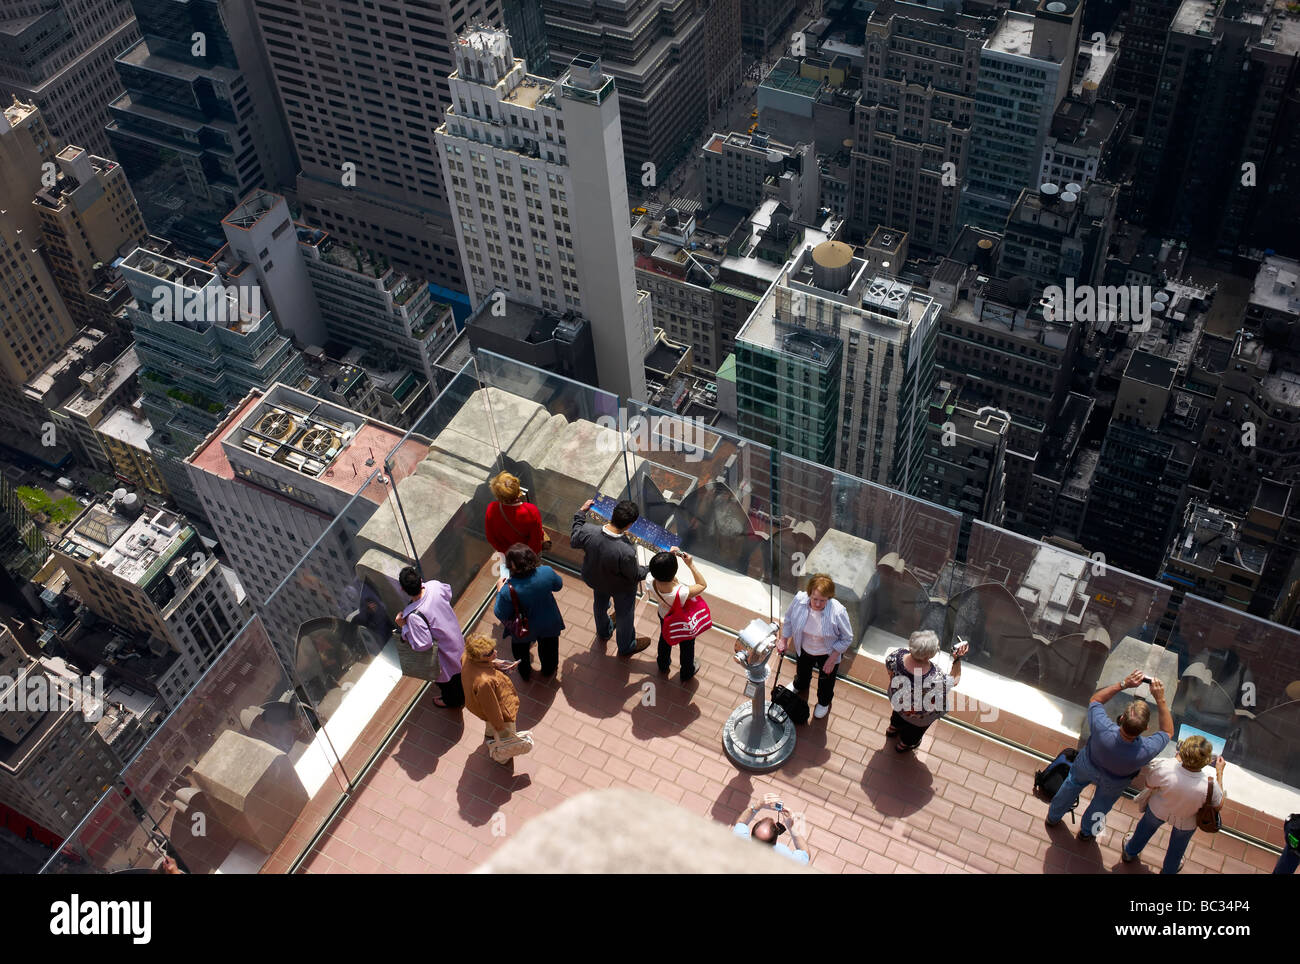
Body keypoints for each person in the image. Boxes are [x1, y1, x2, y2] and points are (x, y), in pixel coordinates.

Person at [1045, 670, 1173, 839]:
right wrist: (1160, 699)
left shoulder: (1102, 727)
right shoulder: (1147, 749)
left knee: (1071, 786)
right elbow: (1168, 732)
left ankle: (1053, 817)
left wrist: (1124, 684)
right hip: (1115, 781)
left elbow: (1096, 700)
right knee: (1101, 805)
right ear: (1146, 729)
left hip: (1087, 765)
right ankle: (1087, 832)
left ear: (1121, 719)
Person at [1122, 736, 1225, 874]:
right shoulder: (1209, 785)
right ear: (1207, 761)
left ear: (1181, 752)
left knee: (1143, 831)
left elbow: (1149, 784)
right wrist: (1219, 772)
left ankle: (1130, 852)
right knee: (1177, 848)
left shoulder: (1166, 766)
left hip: (1158, 809)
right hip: (1186, 820)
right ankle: (1169, 870)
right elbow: (1218, 804)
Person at [571, 497, 650, 657]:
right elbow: (635, 575)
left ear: (612, 514)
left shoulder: (588, 531)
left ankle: (604, 631)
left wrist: (581, 513)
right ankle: (626, 646)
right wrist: (652, 566)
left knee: (599, 604)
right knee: (624, 615)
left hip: (595, 578)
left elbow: (574, 540)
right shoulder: (626, 551)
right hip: (620, 588)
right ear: (629, 525)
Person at [776, 574, 854, 719]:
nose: (817, 604)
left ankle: (824, 702)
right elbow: (788, 620)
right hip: (804, 647)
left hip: (828, 652)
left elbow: (847, 638)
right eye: (814, 599)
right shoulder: (799, 600)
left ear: (829, 598)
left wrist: (832, 660)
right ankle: (799, 685)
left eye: (823, 600)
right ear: (809, 593)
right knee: (802, 671)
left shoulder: (838, 612)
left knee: (826, 681)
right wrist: (784, 639)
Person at [884, 630, 969, 752]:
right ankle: (904, 745)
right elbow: (954, 680)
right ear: (927, 656)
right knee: (914, 731)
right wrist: (957, 659)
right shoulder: (936, 679)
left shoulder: (894, 657)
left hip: (899, 702)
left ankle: (892, 729)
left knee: (897, 716)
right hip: (920, 715)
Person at [394, 566, 466, 708]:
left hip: (444, 655)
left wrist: (403, 626)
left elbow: (423, 644)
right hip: (455, 638)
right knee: (461, 670)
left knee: (449, 683)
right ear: (420, 580)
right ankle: (464, 690)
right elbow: (448, 593)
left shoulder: (414, 615)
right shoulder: (434, 586)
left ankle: (453, 701)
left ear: (402, 589)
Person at [493, 543, 564, 681]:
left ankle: (525, 672)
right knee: (549, 650)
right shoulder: (546, 572)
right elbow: (558, 585)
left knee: (521, 651)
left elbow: (500, 613)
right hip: (548, 622)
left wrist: (500, 590)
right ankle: (549, 670)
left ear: (511, 566)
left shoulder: (508, 589)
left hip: (524, 629)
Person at [461, 633, 533, 764]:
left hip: (477, 705)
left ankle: (490, 733)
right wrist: (502, 729)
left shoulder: (466, 656)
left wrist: (494, 663)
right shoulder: (485, 682)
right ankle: (503, 757)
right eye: (489, 653)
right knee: (505, 736)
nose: (495, 652)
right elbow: (492, 708)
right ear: (479, 656)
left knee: (490, 723)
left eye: (493, 649)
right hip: (501, 711)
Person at [645, 547, 707, 682]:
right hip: (682, 622)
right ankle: (686, 672)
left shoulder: (650, 580)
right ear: (674, 572)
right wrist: (690, 564)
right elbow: (702, 585)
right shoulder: (681, 592)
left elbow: (660, 572)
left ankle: (662, 664)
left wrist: (667, 557)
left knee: (665, 638)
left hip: (665, 617)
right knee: (687, 647)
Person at [733, 793, 809, 865]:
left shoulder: (741, 841)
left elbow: (741, 823)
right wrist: (791, 827)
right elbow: (805, 853)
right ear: (775, 839)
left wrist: (756, 806)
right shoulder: (786, 855)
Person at [484, 471, 547, 555]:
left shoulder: (492, 509)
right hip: (529, 556)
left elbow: (491, 538)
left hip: (510, 556)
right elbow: (535, 541)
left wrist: (509, 554)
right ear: (518, 489)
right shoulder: (530, 510)